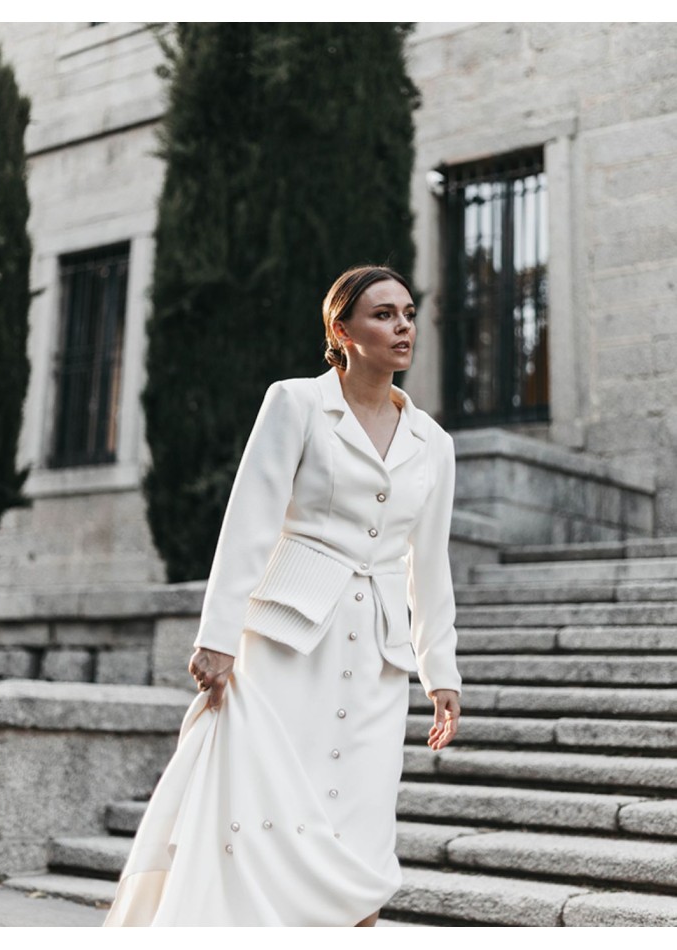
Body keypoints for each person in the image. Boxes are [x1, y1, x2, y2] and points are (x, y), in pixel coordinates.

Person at [103, 264, 462, 928]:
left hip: (378, 661)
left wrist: (441, 671)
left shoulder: (433, 444)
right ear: (342, 331)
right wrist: (217, 636)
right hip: (287, 645)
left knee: (361, 831)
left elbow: (430, 564)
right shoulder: (295, 403)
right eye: (383, 315)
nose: (403, 327)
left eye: (408, 314)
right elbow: (250, 520)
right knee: (263, 816)